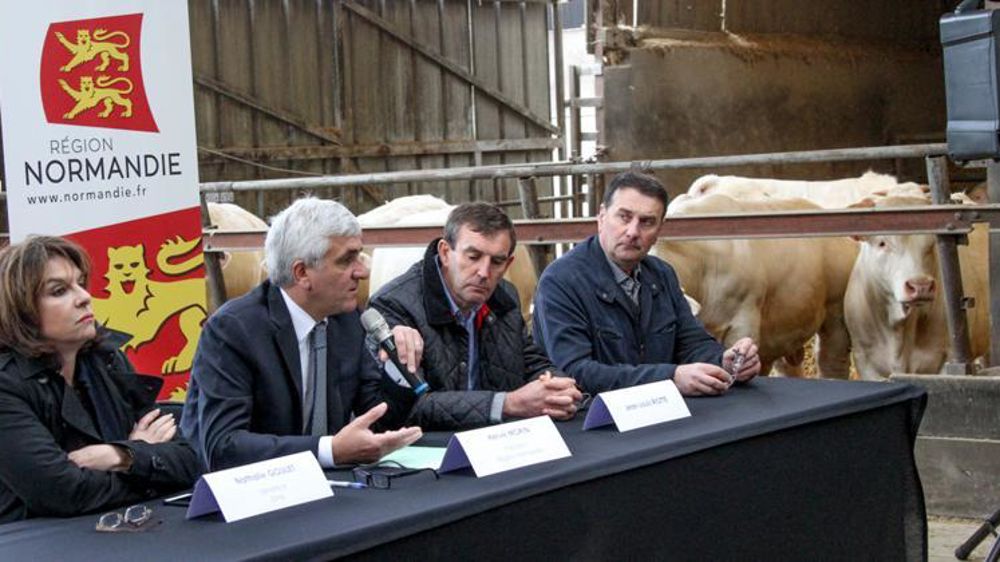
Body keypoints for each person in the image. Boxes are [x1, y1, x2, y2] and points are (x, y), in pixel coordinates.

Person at [181, 197, 423, 471]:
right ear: (302, 273)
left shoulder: (348, 319)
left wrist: (397, 366)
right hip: (250, 498)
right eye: (347, 260)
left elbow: (376, 419)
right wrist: (329, 450)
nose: (363, 271)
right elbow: (222, 446)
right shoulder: (233, 330)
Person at [0, 236, 199, 523]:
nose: (84, 297)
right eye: (59, 291)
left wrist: (123, 456)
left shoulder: (106, 359)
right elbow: (63, 492)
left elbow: (188, 459)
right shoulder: (7, 384)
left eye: (80, 283)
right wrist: (147, 460)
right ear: (21, 311)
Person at [533, 171, 761, 397]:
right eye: (624, 217)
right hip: (591, 419)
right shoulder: (561, 282)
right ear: (602, 217)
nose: (633, 232)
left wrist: (724, 361)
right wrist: (671, 378)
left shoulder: (661, 274)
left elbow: (691, 342)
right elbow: (575, 372)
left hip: (660, 413)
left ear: (660, 229)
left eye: (647, 222)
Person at [367, 202, 581, 431]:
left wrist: (557, 389)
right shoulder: (394, 306)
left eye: (497, 262)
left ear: (509, 263)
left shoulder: (504, 297)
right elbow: (407, 407)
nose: (483, 272)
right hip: (429, 450)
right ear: (445, 253)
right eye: (473, 256)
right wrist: (506, 404)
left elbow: (530, 362)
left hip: (498, 442)